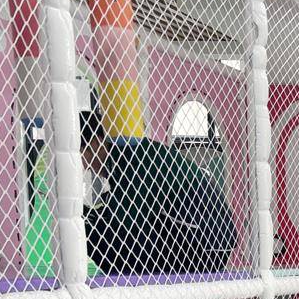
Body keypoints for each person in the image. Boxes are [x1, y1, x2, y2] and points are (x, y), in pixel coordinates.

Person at [81, 109, 236, 275]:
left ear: (95, 143)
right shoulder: (134, 151)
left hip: (201, 249)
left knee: (85, 229)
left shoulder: (132, 159)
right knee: (94, 221)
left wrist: (81, 214)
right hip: (211, 242)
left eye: (81, 154)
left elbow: (125, 223)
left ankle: (125, 283)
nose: (86, 166)